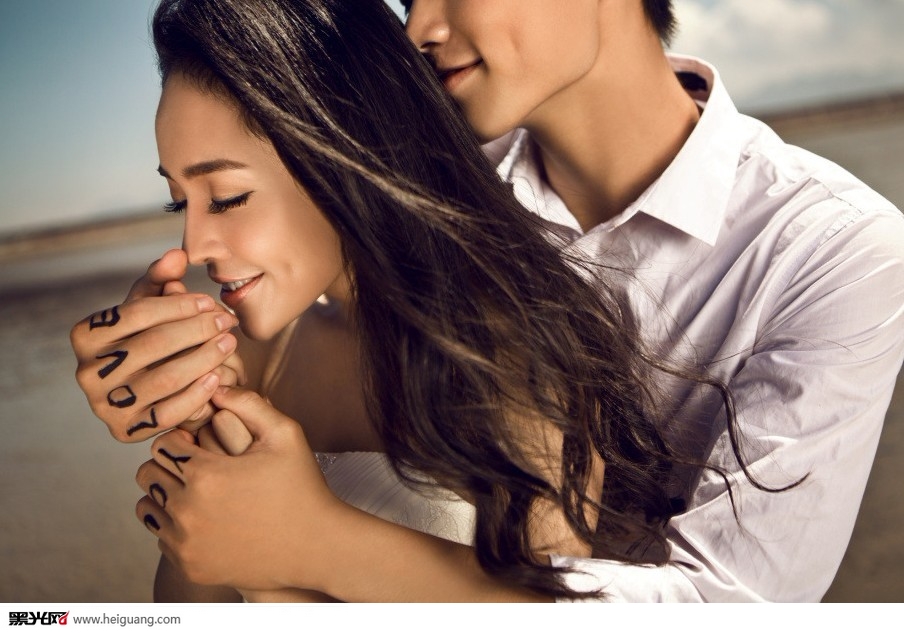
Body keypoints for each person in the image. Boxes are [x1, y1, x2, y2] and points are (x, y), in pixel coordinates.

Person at [70, 0, 707, 602]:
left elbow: (556, 608)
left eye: (227, 197)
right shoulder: (254, 359)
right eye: (179, 204)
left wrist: (288, 563)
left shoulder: (509, 356)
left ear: (345, 148)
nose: (195, 245)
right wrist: (199, 420)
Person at [400, 0, 904, 601]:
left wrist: (331, 543)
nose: (417, 30)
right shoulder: (414, 197)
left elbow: (729, 603)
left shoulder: (832, 249)